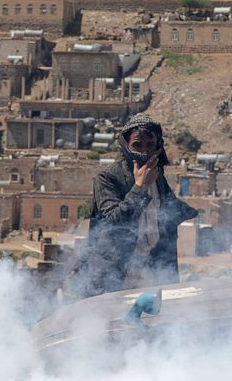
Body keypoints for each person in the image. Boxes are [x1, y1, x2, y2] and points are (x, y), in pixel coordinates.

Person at [70, 113, 197, 298]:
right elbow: (114, 220)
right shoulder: (108, 178)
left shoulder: (157, 175)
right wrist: (140, 187)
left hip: (152, 270)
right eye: (137, 145)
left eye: (149, 145)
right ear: (126, 145)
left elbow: (169, 208)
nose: (144, 151)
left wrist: (194, 213)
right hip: (114, 273)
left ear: (158, 145)